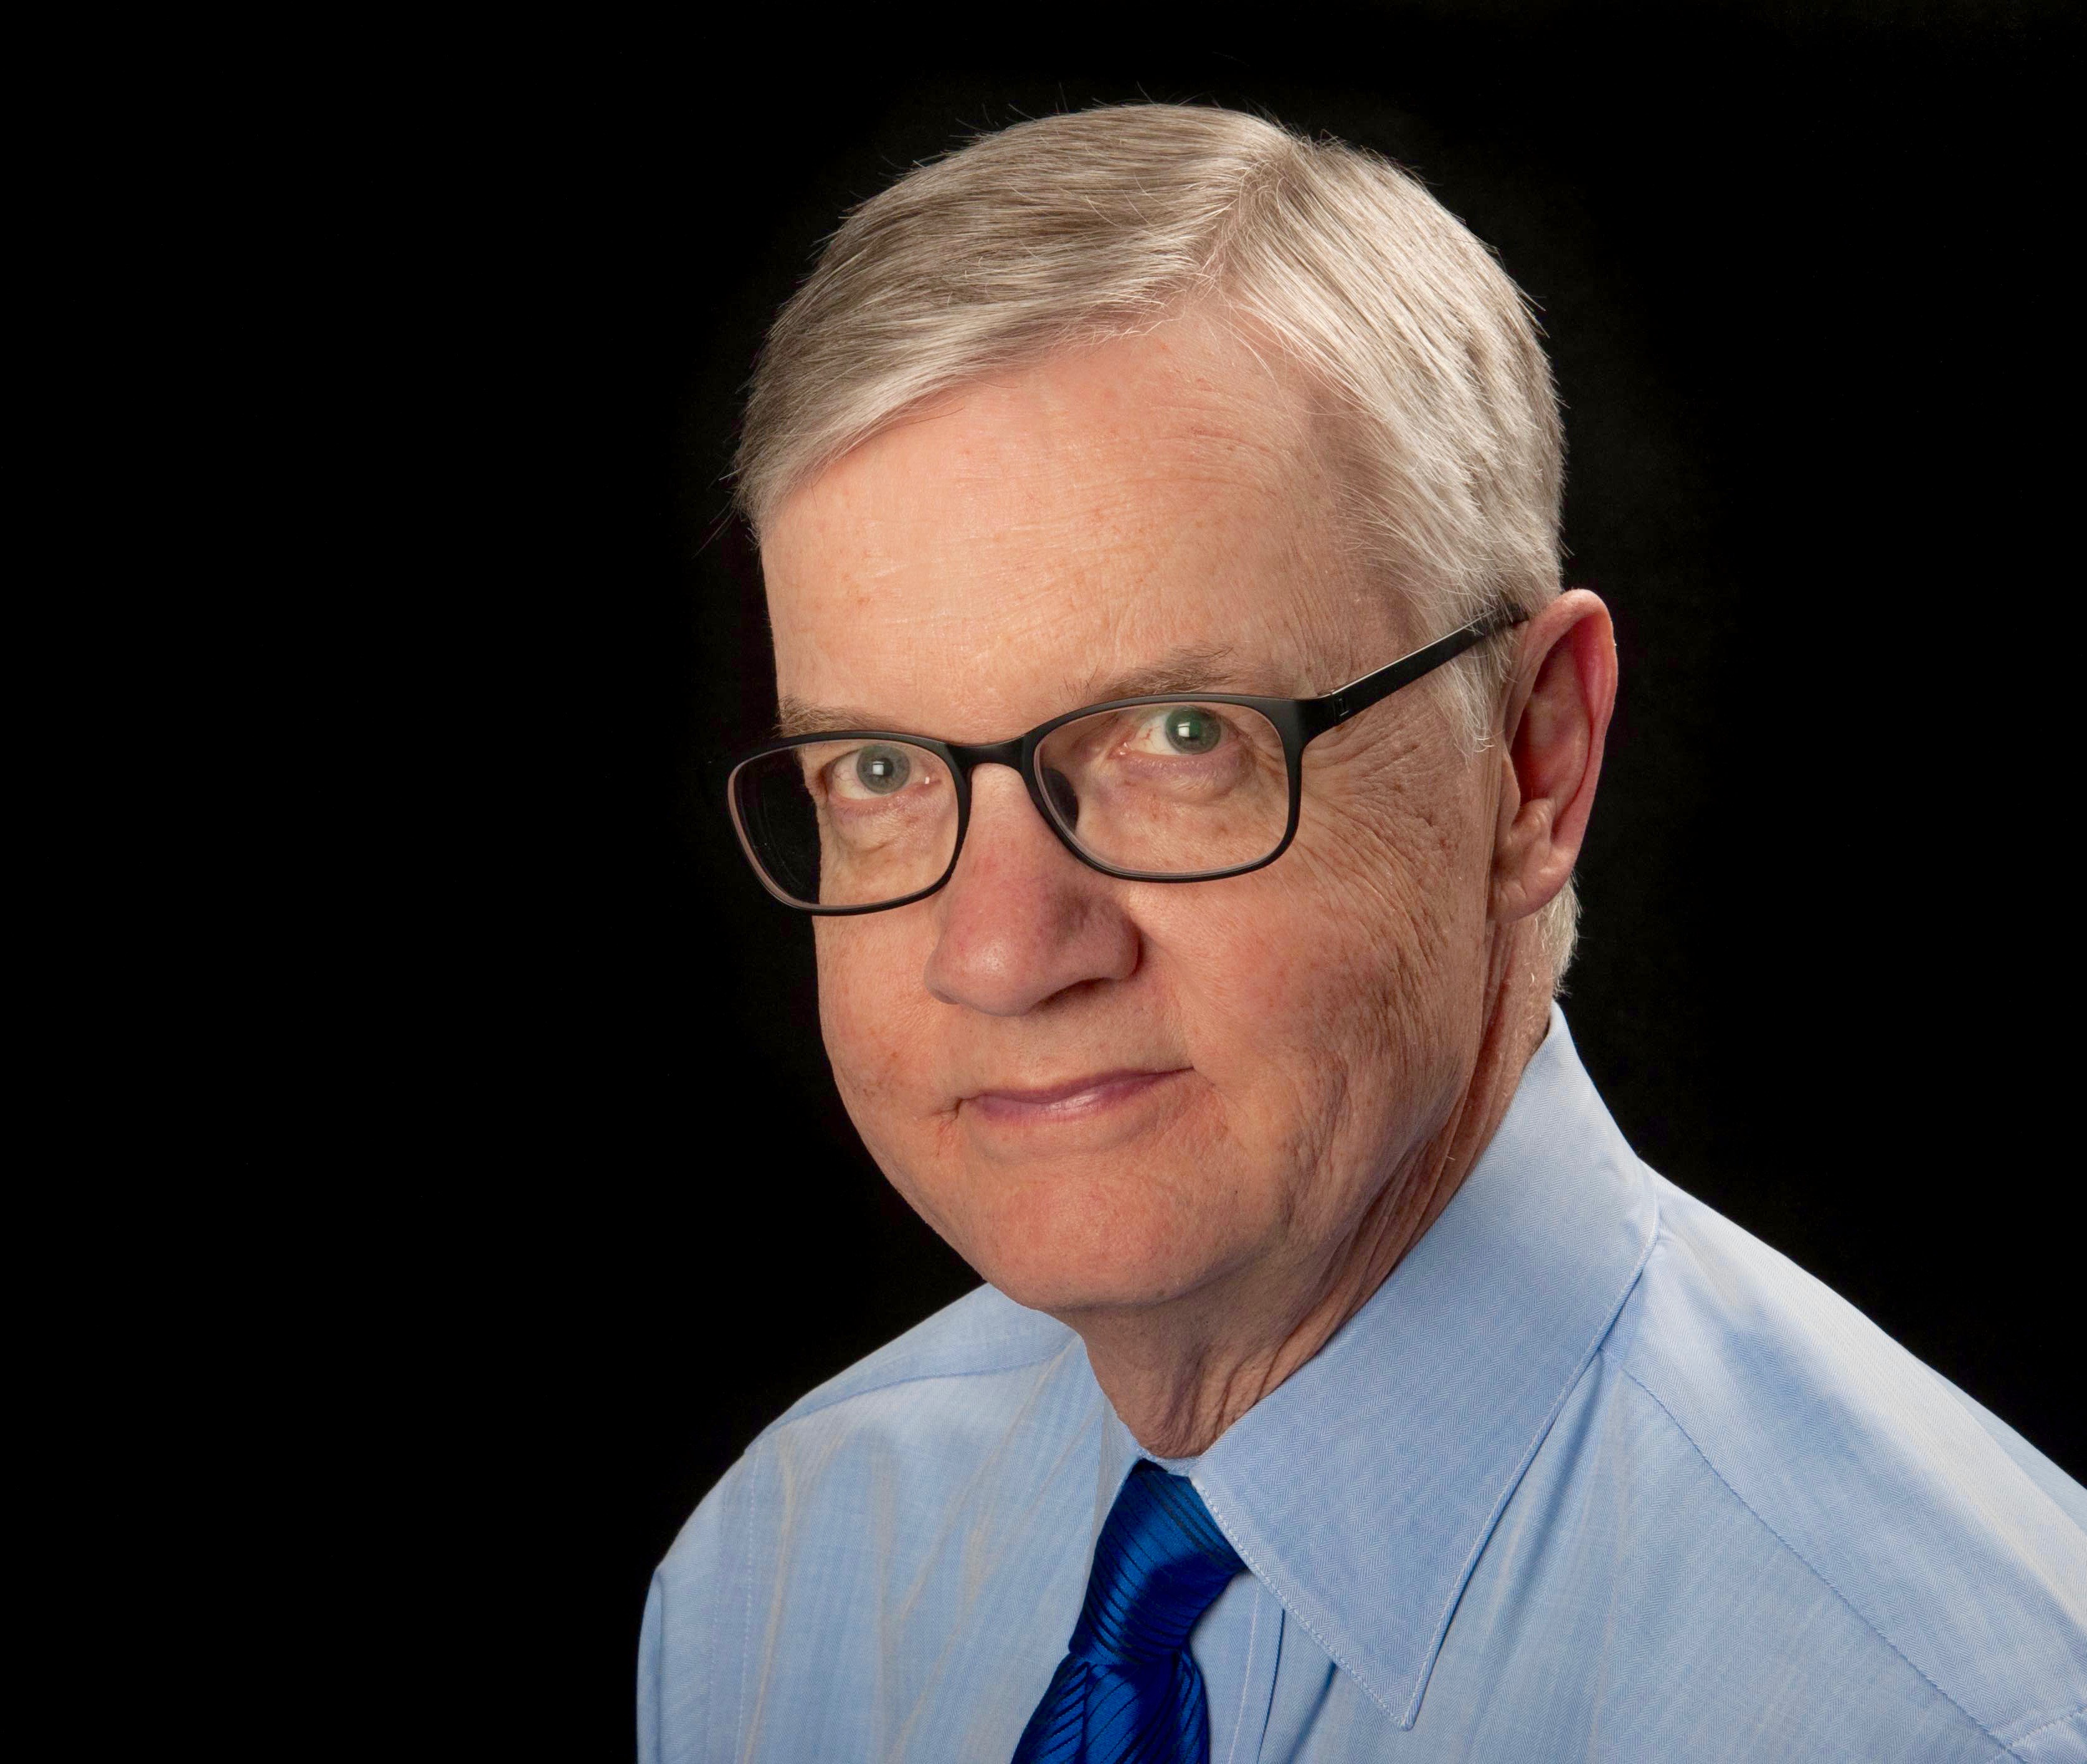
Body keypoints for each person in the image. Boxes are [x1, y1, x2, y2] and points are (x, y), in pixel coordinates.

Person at [640, 105, 2085, 1763]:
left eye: (1183, 737)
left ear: (1535, 761)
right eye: (881, 771)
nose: (1003, 954)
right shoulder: (779, 1575)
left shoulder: (1956, 1714)